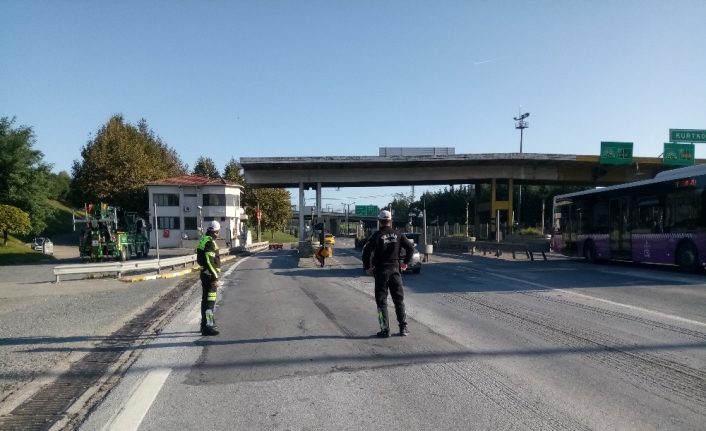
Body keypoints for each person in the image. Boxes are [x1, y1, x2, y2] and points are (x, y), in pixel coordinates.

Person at [362, 210, 415, 338]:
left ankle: (385, 329)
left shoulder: (377, 235)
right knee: (399, 300)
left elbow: (366, 252)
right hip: (396, 271)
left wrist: (368, 267)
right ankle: (403, 327)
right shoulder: (398, 234)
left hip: (381, 272)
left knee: (381, 302)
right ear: (391, 221)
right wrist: (405, 263)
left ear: (379, 222)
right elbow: (410, 248)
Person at [196, 221, 222, 336]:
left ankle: (204, 324)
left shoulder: (203, 239)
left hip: (205, 274)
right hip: (209, 276)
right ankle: (208, 326)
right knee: (210, 302)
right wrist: (215, 277)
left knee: (205, 301)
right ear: (217, 231)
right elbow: (209, 261)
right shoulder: (210, 242)